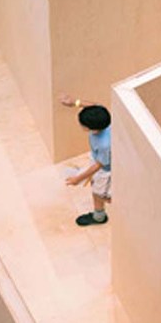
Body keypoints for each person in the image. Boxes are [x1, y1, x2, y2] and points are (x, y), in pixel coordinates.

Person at [60, 94, 111, 226]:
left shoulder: (105, 144)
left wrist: (78, 179)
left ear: (92, 129)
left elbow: (98, 166)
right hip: (98, 159)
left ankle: (99, 217)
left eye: (82, 125)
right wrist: (74, 103)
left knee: (99, 194)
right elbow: (94, 106)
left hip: (105, 170)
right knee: (97, 186)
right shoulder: (103, 116)